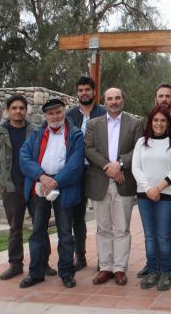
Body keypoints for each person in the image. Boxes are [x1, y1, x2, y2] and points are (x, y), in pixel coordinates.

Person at [0, 95, 56, 280]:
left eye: (21, 108)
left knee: (40, 226)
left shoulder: (35, 132)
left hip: (33, 185)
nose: (18, 111)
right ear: (8, 111)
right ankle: (15, 264)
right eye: (14, 108)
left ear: (26, 110)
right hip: (11, 187)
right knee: (15, 228)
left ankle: (43, 262)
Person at [19, 98, 84, 289]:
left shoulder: (75, 134)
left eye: (58, 112)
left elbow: (76, 163)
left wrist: (55, 181)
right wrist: (41, 176)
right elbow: (24, 157)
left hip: (63, 186)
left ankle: (66, 273)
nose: (55, 116)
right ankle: (36, 273)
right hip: (40, 185)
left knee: (65, 232)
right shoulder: (36, 134)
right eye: (50, 113)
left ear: (64, 111)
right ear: (45, 115)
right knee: (38, 231)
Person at [84, 87, 143, 286]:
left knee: (122, 228)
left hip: (123, 181)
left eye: (118, 97)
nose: (114, 101)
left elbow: (139, 148)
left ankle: (119, 268)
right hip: (100, 181)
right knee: (102, 228)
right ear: (104, 102)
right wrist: (107, 167)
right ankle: (106, 267)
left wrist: (120, 164)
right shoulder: (94, 124)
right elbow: (88, 148)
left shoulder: (135, 124)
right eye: (110, 98)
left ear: (123, 99)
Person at [137, 83, 171, 279]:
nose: (164, 99)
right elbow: (138, 158)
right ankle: (154, 266)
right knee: (152, 230)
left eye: (168, 96)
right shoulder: (145, 122)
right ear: (156, 98)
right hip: (147, 188)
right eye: (161, 96)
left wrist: (161, 186)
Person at [132, 105, 171, 291]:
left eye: (163, 120)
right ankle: (153, 271)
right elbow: (136, 168)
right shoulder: (141, 143)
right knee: (150, 236)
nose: (159, 123)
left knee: (163, 235)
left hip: (167, 195)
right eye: (156, 120)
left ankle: (165, 273)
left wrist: (158, 188)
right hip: (145, 195)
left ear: (168, 123)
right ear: (150, 122)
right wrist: (148, 190)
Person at [66, 76, 107, 271]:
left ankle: (104, 259)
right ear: (77, 93)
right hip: (76, 172)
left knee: (102, 216)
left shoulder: (104, 113)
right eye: (80, 90)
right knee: (77, 216)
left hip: (98, 170)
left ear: (94, 92)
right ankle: (80, 256)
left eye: (87, 90)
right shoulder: (70, 115)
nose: (84, 93)